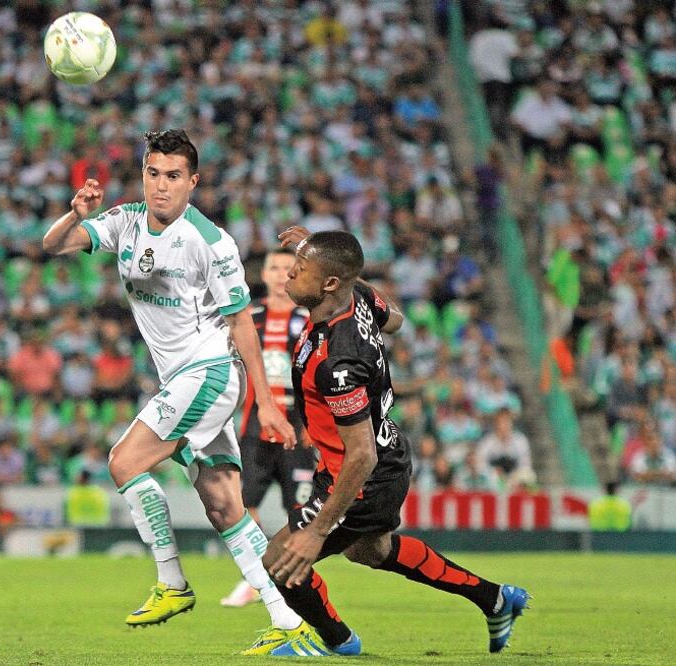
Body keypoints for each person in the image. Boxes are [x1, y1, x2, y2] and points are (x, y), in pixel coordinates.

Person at [43, 130, 313, 651]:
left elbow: (242, 325)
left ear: (193, 181)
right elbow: (52, 246)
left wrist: (270, 404)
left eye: (172, 177)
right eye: (152, 173)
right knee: (223, 505)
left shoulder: (211, 243)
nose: (160, 186)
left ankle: (171, 582)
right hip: (183, 380)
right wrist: (77, 213)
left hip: (209, 373)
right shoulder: (123, 222)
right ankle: (291, 623)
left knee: (124, 462)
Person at [254, 227, 529, 657]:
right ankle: (495, 599)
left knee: (281, 559)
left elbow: (359, 456)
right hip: (387, 454)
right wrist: (335, 265)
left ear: (329, 284)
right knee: (372, 550)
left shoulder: (338, 361)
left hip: (363, 474)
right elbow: (396, 320)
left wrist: (316, 532)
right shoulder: (357, 298)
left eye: (301, 268)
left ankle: (337, 643)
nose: (289, 273)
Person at [221, 247, 316, 608]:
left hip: (298, 429)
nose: (280, 275)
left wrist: (313, 424)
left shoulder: (309, 319)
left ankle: (289, 577)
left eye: (287, 269)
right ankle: (257, 575)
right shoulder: (248, 318)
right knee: (243, 506)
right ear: (263, 274)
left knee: (302, 511)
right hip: (253, 429)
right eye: (274, 268)